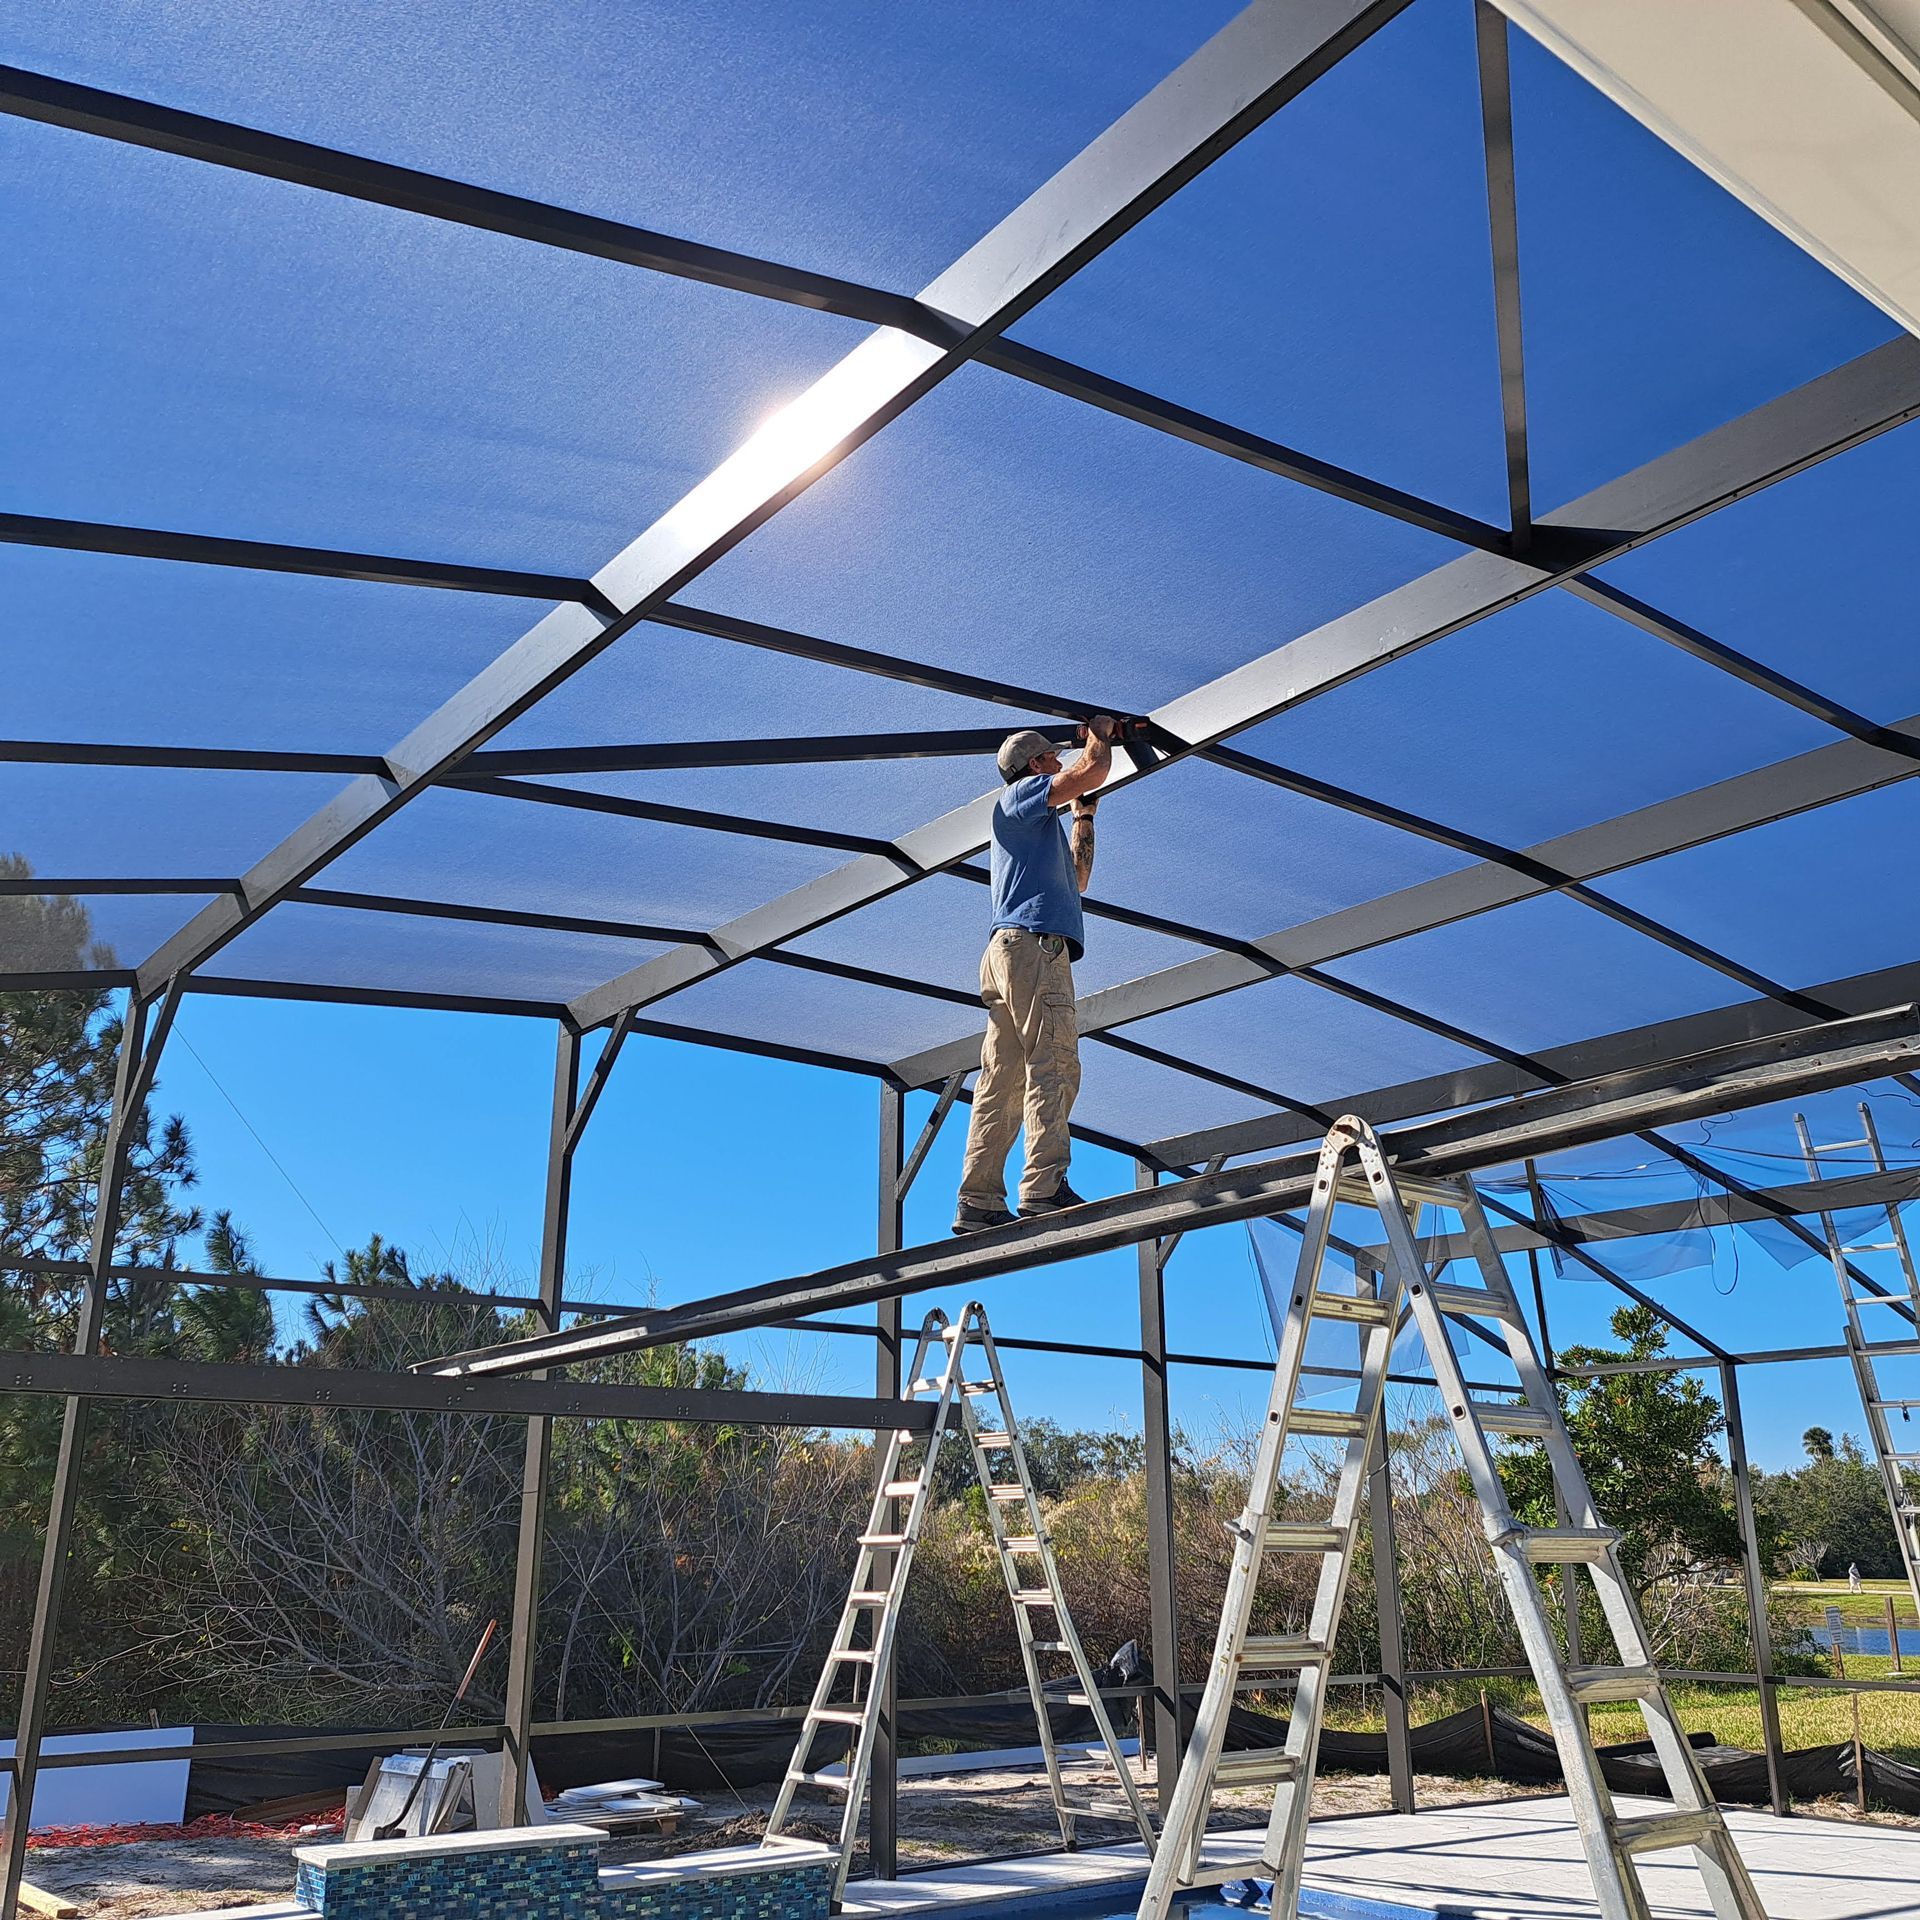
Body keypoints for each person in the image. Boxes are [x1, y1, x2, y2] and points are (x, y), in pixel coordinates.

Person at [952, 718, 1116, 1234]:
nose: (1059, 762)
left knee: (1003, 1078)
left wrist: (1083, 817)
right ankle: (1044, 1186)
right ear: (1036, 763)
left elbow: (1079, 879)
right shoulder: (1020, 796)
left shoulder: (1035, 830)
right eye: (1052, 757)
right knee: (1055, 1060)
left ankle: (978, 1199)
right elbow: (1093, 768)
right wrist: (1101, 734)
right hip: (1033, 947)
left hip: (1009, 951)